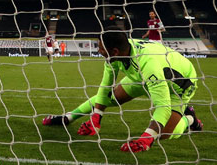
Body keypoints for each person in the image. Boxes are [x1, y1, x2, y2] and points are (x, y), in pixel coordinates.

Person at [42, 27, 203, 153]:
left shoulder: (147, 63)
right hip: (141, 77)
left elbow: (163, 106)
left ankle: (190, 119)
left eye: (101, 48)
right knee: (111, 97)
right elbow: (105, 87)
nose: (98, 51)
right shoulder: (118, 53)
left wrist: (146, 138)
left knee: (163, 134)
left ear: (114, 52)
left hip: (176, 86)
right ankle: (68, 118)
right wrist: (96, 118)